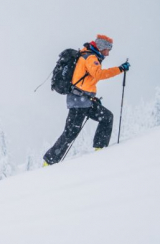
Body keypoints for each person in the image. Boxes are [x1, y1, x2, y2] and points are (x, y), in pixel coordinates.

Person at [43, 34, 130, 166]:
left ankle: (100, 150)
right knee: (70, 133)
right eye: (107, 49)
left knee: (107, 117)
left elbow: (85, 81)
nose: (108, 53)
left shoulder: (89, 56)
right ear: (101, 47)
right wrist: (120, 69)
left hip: (85, 101)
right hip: (79, 102)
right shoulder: (90, 57)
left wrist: (92, 98)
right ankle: (49, 162)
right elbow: (98, 74)